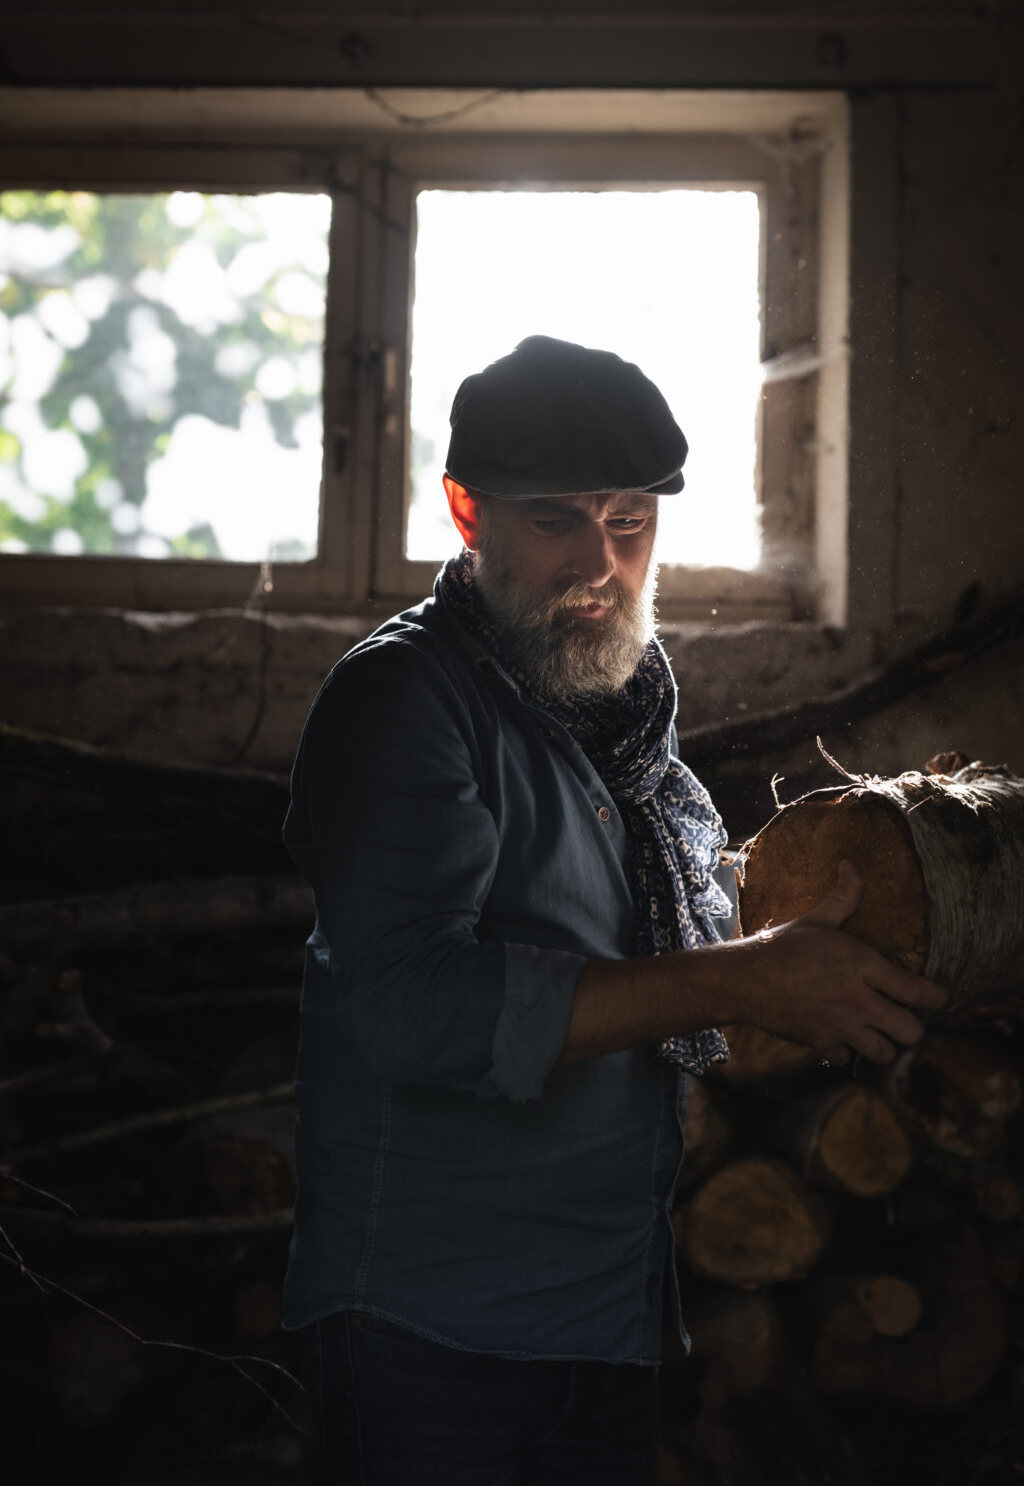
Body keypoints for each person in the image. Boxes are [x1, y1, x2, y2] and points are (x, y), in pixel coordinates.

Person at [282, 335, 946, 1485]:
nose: (600, 563)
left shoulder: (617, 703)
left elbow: (620, 931)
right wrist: (747, 978)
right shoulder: (404, 701)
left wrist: (817, 925)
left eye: (629, 521)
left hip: (603, 1313)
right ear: (468, 511)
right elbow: (411, 1006)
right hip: (427, 1330)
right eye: (555, 521)